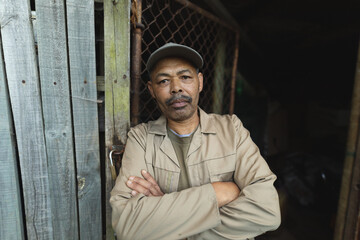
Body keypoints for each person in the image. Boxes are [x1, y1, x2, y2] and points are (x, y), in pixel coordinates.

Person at [110, 43, 281, 240]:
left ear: (199, 82)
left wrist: (166, 224)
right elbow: (126, 226)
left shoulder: (232, 130)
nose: (176, 88)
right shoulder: (140, 139)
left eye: (185, 77)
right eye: (164, 81)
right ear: (152, 90)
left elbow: (267, 212)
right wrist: (217, 193)